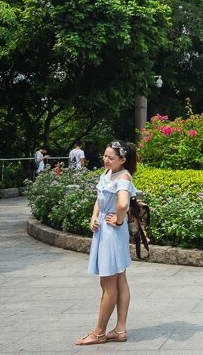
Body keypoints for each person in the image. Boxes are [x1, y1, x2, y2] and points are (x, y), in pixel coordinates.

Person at [75, 140, 138, 346]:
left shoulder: (124, 177)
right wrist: (95, 216)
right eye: (105, 155)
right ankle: (120, 330)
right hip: (106, 228)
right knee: (119, 279)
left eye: (111, 157)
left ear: (123, 160)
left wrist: (118, 220)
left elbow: (122, 203)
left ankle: (99, 333)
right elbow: (99, 198)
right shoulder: (108, 174)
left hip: (112, 232)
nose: (106, 160)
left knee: (108, 284)